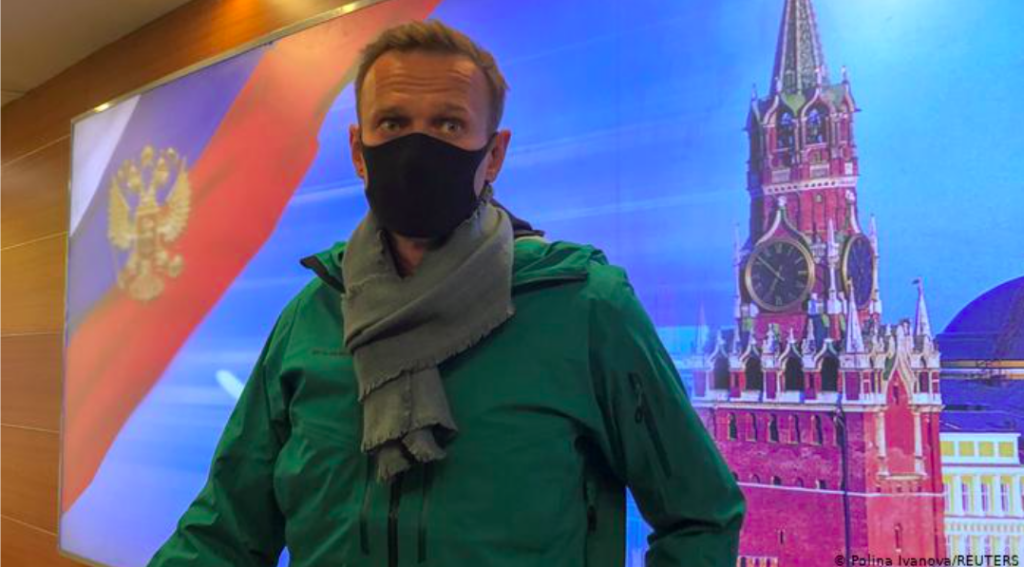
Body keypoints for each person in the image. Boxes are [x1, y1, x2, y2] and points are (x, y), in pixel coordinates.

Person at [148, 19, 744, 567]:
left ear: (495, 154)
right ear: (358, 151)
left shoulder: (584, 306)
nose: (417, 149)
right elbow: (224, 532)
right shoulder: (314, 314)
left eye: (449, 125)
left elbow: (701, 517)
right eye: (393, 124)